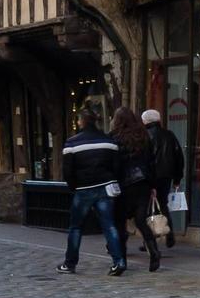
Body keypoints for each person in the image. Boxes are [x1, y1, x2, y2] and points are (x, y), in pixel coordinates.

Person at [57, 107, 127, 276]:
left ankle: (70, 263)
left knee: (76, 227)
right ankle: (119, 261)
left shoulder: (72, 143)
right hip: (105, 186)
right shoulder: (109, 142)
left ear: (81, 121)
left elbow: (67, 170)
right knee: (109, 225)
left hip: (84, 188)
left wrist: (74, 186)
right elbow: (117, 166)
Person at [112, 106, 163, 272]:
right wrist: (153, 185)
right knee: (141, 220)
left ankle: (122, 259)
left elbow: (113, 164)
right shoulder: (143, 136)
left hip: (123, 184)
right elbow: (151, 162)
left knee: (120, 223)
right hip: (142, 183)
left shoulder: (114, 138)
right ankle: (153, 250)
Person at [142, 107, 184, 249]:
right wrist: (177, 178)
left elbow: (146, 159)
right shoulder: (169, 135)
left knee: (148, 208)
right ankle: (169, 232)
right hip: (166, 176)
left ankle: (149, 240)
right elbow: (179, 157)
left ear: (145, 121)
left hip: (150, 176)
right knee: (162, 204)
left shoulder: (145, 136)